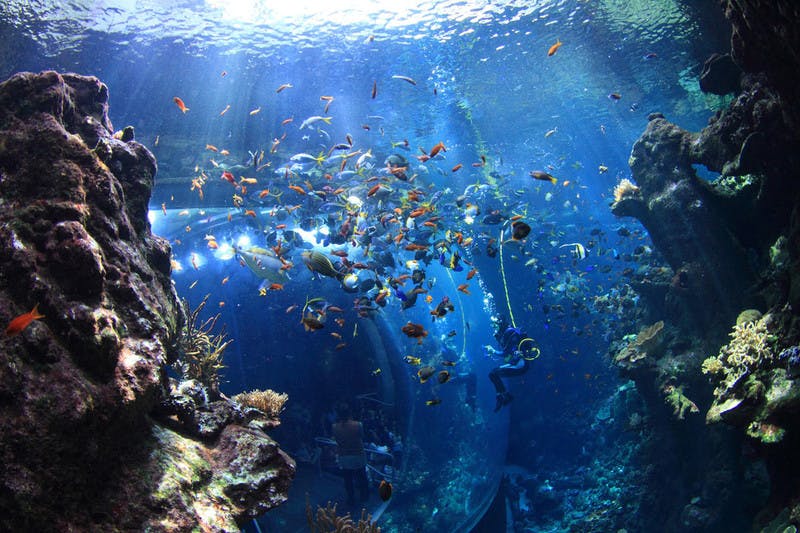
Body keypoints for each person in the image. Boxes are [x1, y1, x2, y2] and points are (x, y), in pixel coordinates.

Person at [485, 318, 537, 412]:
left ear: (500, 324)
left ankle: (504, 396)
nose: (494, 328)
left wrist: (493, 351)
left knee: (493, 374)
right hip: (517, 363)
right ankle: (503, 396)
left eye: (495, 325)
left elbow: (505, 353)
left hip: (521, 364)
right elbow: (509, 352)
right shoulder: (508, 332)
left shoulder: (509, 332)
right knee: (492, 374)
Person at [331, 402, 369, 506]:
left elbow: (337, 440)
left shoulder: (335, 427)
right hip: (358, 454)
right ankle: (364, 496)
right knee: (362, 476)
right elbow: (361, 436)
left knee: (348, 479)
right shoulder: (358, 425)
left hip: (344, 456)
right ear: (349, 414)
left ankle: (351, 498)